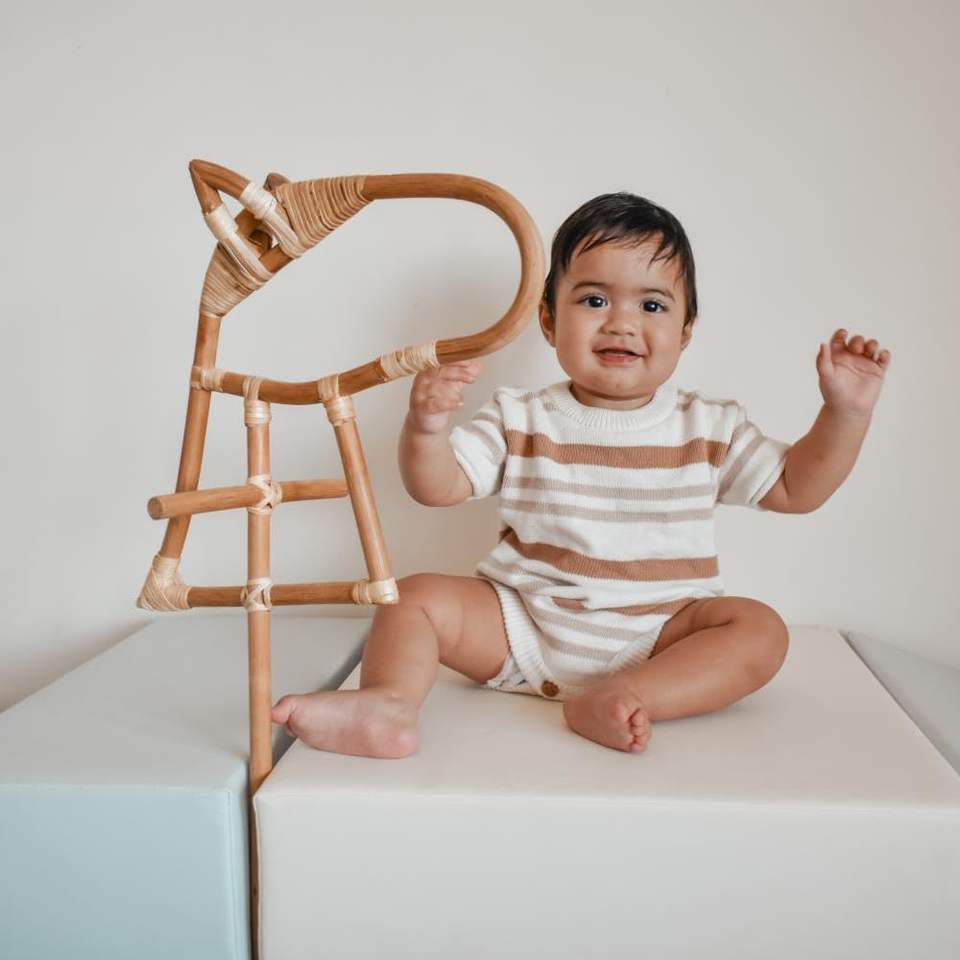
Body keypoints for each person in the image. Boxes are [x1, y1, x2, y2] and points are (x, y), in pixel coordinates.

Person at [271, 191, 891, 757]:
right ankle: (388, 704)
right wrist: (426, 427)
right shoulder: (521, 416)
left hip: (659, 637)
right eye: (594, 300)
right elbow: (435, 488)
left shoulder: (709, 427)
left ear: (685, 332)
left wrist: (845, 414)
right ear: (549, 321)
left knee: (760, 631)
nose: (621, 322)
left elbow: (795, 488)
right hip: (522, 625)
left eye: (651, 305)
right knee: (412, 597)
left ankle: (629, 695)